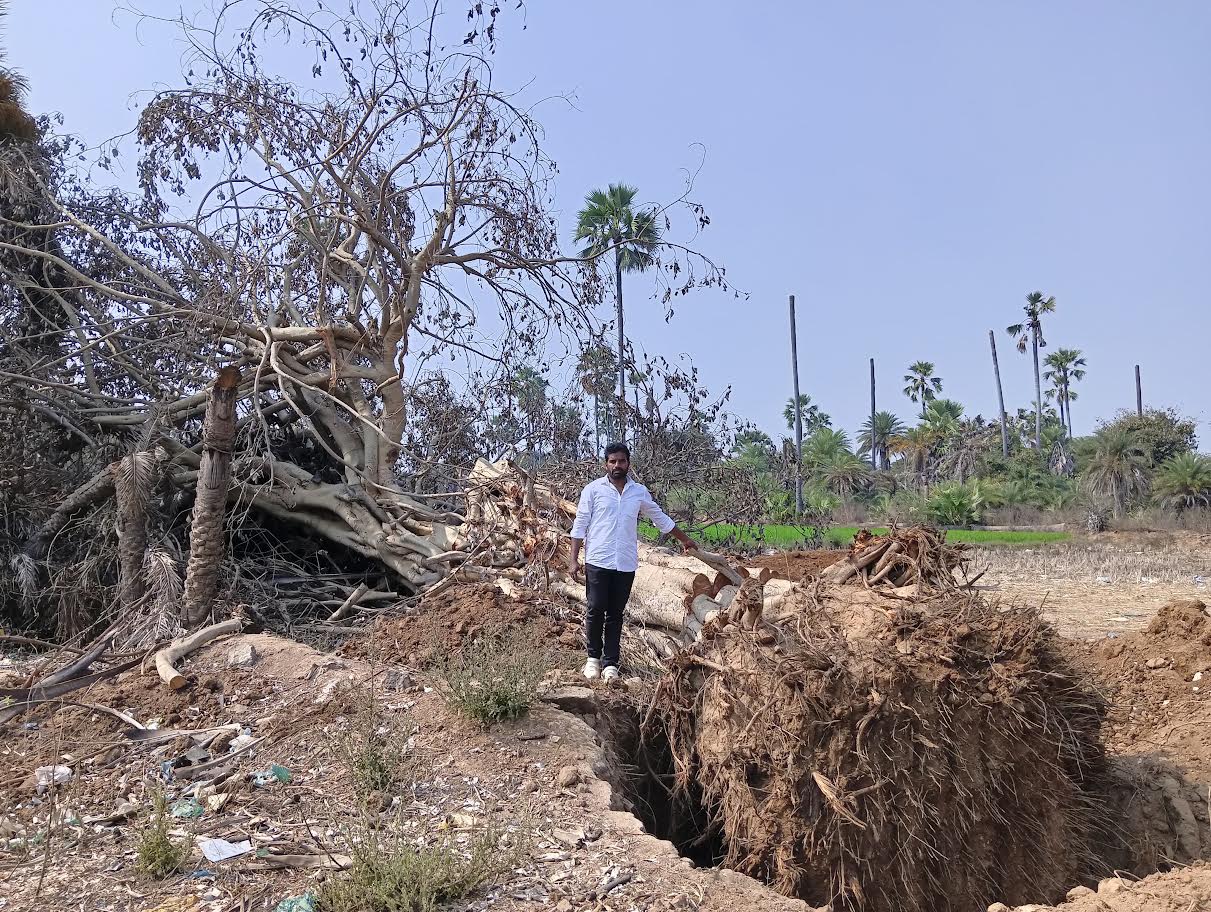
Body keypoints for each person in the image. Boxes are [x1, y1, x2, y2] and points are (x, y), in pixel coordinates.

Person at [568, 443, 698, 684]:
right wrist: (573, 560)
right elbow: (580, 525)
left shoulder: (638, 492)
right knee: (595, 609)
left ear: (628, 463)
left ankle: (610, 664)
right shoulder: (593, 490)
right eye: (612, 461)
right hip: (598, 560)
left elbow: (660, 518)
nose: (617, 465)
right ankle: (593, 660)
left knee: (616, 614)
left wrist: (685, 539)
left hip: (625, 563)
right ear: (606, 464)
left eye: (621, 461)